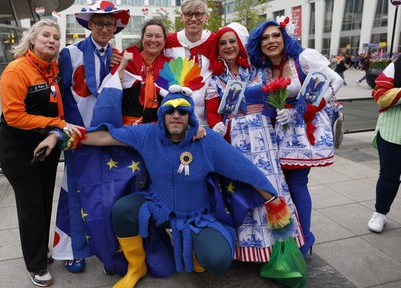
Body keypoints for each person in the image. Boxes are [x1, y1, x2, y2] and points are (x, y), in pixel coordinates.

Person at [35, 77, 291, 288]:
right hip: (157, 208)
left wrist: (272, 199)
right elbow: (104, 137)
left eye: (183, 111)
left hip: (195, 215)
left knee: (218, 261)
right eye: (169, 110)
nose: (176, 116)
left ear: (190, 116)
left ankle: (195, 250)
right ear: (162, 115)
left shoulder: (206, 141)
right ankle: (136, 267)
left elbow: (242, 167)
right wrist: (61, 136)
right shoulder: (148, 134)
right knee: (123, 210)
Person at [205, 22, 303, 262]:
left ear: (240, 45)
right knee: (245, 189)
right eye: (223, 43)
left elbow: (271, 104)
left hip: (264, 137)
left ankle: (280, 248)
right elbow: (212, 114)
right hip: (235, 141)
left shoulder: (260, 72)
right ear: (217, 49)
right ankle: (249, 251)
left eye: (232, 41)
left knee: (271, 188)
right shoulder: (214, 80)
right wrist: (217, 126)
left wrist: (281, 114)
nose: (228, 46)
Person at [247, 16, 343, 257]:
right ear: (258, 44)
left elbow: (336, 81)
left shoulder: (303, 58)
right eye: (265, 38)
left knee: (298, 183)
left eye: (276, 35)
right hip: (279, 132)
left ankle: (305, 239)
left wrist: (302, 110)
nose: (271, 41)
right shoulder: (264, 70)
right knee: (284, 186)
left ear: (285, 37)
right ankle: (294, 236)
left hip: (303, 130)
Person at [0, 19, 84, 287]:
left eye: (56, 37)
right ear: (32, 39)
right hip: (19, 151)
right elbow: (14, 116)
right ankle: (34, 266)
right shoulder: (16, 70)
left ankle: (40, 251)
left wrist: (54, 132)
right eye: (46, 35)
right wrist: (57, 125)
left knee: (45, 202)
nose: (52, 40)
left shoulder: (53, 68)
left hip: (45, 146)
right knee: (32, 207)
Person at [53, 0, 130, 274]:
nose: (105, 28)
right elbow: (59, 95)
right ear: (90, 25)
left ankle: (107, 247)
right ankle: (71, 250)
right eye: (99, 23)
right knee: (73, 191)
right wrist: (60, 128)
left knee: (106, 192)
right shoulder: (69, 54)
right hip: (77, 135)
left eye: (109, 24)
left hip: (106, 135)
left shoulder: (119, 57)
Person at [163, 0, 215, 127]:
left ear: (206, 17)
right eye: (188, 14)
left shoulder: (215, 41)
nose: (193, 19)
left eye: (198, 14)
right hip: (176, 116)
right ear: (182, 17)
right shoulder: (168, 42)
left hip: (206, 117)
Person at [367, 56, 401, 233]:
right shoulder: (396, 66)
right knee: (389, 176)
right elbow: (380, 96)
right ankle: (380, 212)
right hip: (393, 131)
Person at [119, 18, 171, 125]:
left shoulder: (170, 67)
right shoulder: (127, 60)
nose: (153, 40)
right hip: (128, 128)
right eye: (149, 36)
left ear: (164, 41)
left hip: (158, 129)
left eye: (158, 36)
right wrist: (120, 66)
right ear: (142, 39)